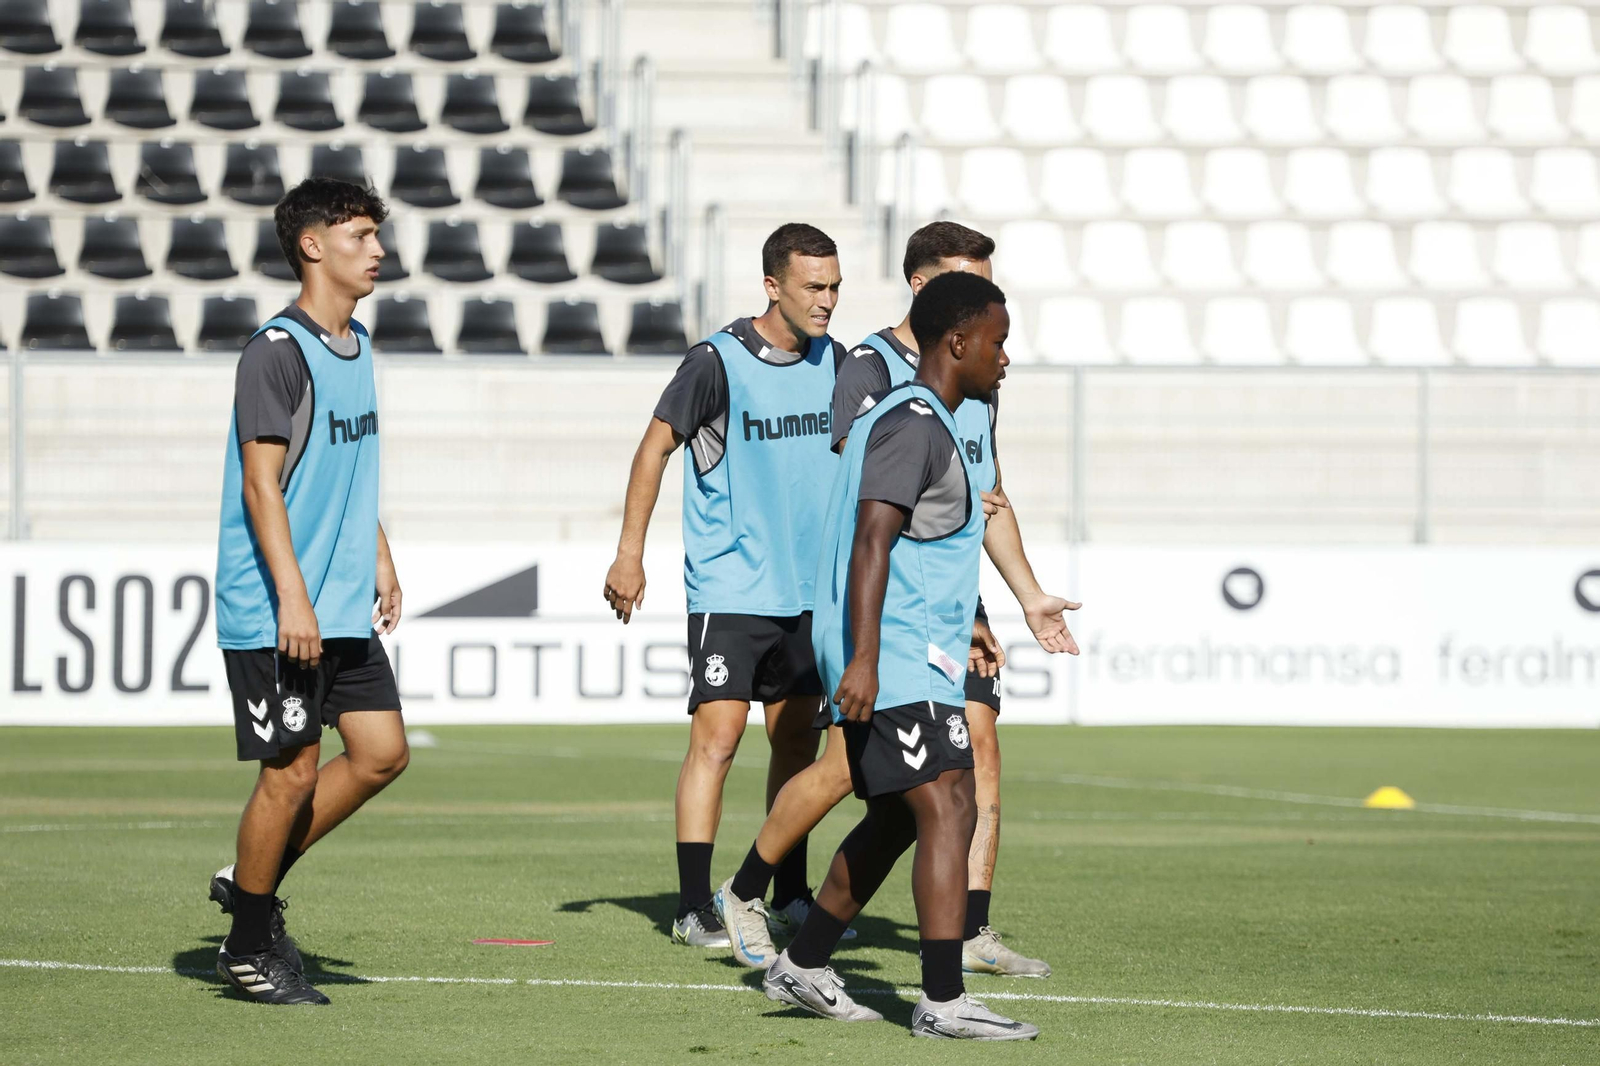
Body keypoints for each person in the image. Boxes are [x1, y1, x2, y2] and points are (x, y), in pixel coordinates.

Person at [716, 223, 1077, 978]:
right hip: (884, 614)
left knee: (967, 771)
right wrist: (868, 647)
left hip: (949, 612)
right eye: (966, 281)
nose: (984, 304)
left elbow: (987, 497)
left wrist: (1023, 597)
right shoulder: (871, 372)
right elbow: (870, 513)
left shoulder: (974, 378)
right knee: (860, 776)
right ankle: (749, 892)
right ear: (927, 289)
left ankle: (962, 935)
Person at [761, 271, 1037, 1040]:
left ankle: (805, 963)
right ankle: (943, 1002)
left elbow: (923, 546)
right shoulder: (914, 422)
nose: (1005, 359)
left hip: (924, 655)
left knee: (898, 815)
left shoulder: (930, 421)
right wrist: (864, 660)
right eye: (998, 342)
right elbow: (871, 543)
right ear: (957, 342)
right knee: (949, 802)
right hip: (895, 657)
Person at [602, 224, 846, 949]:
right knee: (718, 738)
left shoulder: (840, 362)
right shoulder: (716, 361)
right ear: (773, 285)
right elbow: (654, 448)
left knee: (796, 744)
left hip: (812, 594)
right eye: (814, 287)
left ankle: (792, 893)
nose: (828, 301)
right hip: (732, 587)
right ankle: (692, 906)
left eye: (835, 287)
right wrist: (628, 555)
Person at [208, 178, 408, 1006]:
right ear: (313, 245)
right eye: (361, 235)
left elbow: (347, 472)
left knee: (381, 753)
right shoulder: (276, 353)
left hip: (341, 603)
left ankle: (249, 876)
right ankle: (249, 947)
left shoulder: (358, 343)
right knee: (289, 776)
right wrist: (293, 598)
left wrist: (382, 556)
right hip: (277, 612)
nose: (378, 251)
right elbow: (263, 487)